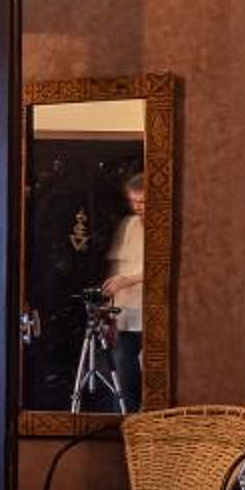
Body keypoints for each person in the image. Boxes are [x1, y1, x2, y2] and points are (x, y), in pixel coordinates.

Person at [100, 167, 145, 410]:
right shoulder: (129, 225)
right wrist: (110, 309)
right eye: (134, 201)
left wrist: (127, 280)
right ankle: (126, 420)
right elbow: (118, 267)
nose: (138, 207)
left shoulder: (162, 228)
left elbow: (162, 269)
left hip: (149, 312)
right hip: (126, 312)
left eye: (143, 202)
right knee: (122, 375)